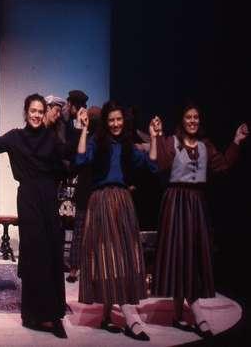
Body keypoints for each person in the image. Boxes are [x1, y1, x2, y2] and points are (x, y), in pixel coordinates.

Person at [151, 103, 249, 338]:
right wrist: (157, 136)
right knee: (177, 254)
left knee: (192, 255)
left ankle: (179, 313)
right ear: (182, 120)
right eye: (188, 117)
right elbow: (160, 165)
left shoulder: (206, 146)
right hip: (175, 202)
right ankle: (191, 312)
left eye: (196, 117)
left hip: (196, 204)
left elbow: (223, 165)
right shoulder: (171, 141)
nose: (193, 121)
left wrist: (236, 141)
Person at [0, 93, 69, 338]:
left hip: (48, 198)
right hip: (28, 198)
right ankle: (32, 315)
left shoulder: (51, 138)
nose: (37, 115)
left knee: (51, 254)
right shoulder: (16, 137)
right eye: (33, 111)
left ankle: (54, 315)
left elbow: (66, 163)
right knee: (34, 254)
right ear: (26, 112)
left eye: (40, 111)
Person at [76, 100, 158, 341]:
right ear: (105, 122)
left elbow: (151, 166)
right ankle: (128, 316)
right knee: (106, 256)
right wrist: (83, 130)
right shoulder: (96, 142)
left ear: (125, 121)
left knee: (122, 254)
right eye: (111, 120)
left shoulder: (126, 145)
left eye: (118, 119)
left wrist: (153, 138)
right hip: (101, 201)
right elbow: (80, 160)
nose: (115, 124)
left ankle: (106, 315)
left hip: (122, 201)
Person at [66, 105, 100, 284]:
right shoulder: (88, 139)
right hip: (87, 190)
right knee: (81, 232)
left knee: (85, 232)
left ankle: (78, 269)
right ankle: (75, 269)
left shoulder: (94, 140)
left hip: (92, 190)